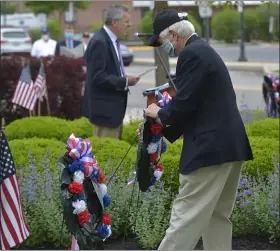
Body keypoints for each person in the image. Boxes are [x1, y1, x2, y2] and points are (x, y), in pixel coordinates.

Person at [144, 9, 253, 250]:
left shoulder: (191, 54)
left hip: (210, 151)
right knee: (217, 216)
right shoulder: (202, 50)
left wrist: (158, 113)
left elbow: (183, 105)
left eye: (162, 43)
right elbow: (196, 101)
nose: (164, 49)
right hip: (229, 145)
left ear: (173, 34)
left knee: (186, 217)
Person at [82, 5, 140, 139]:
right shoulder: (100, 42)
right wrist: (125, 81)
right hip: (105, 113)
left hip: (113, 112)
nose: (130, 25)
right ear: (115, 22)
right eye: (126, 22)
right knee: (106, 155)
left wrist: (124, 79)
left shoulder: (111, 40)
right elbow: (97, 77)